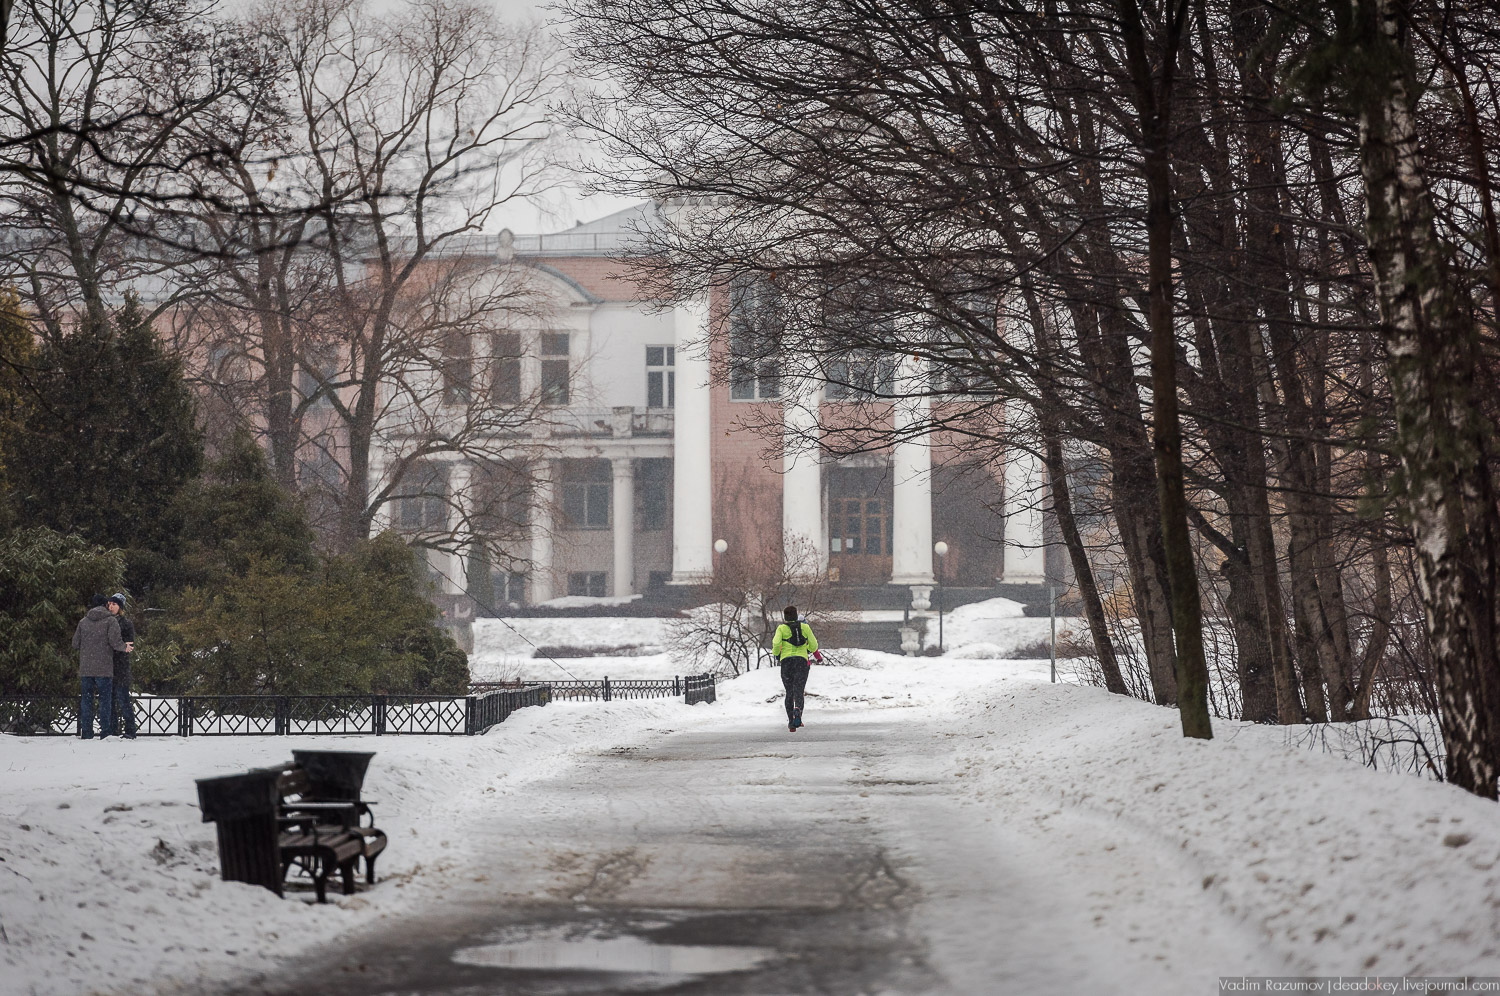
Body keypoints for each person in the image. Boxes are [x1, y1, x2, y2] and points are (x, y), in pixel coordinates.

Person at [72, 594, 126, 740]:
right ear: (105, 605)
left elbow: (75, 644)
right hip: (104, 668)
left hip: (86, 668)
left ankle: (87, 732)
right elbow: (115, 643)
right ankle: (105, 732)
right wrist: (125, 647)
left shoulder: (83, 622)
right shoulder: (110, 621)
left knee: (87, 701)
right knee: (105, 701)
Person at [772, 605, 819, 733]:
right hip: (801, 662)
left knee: (789, 691)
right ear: (796, 615)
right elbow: (814, 645)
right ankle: (798, 710)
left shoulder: (781, 629)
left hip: (787, 662)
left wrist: (777, 655)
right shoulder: (805, 627)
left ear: (785, 617)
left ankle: (791, 722)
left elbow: (776, 644)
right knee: (799, 690)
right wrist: (807, 650)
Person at [106, 593, 137, 739]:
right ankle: (113, 729)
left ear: (120, 607)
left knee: (123, 699)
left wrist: (119, 648)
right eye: (110, 604)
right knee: (110, 700)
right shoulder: (105, 621)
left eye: (114, 604)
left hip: (120, 666)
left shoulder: (126, 623)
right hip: (107, 666)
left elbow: (129, 645)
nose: (111, 607)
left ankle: (130, 729)